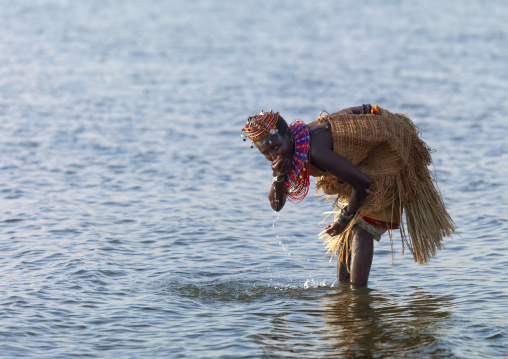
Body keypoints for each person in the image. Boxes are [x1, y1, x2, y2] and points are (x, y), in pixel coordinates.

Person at [241, 104, 456, 286]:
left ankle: (358, 302)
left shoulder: (315, 149)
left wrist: (344, 218)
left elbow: (363, 183)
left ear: (288, 134)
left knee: (360, 230)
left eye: (276, 147)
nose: (273, 155)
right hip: (363, 163)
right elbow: (277, 206)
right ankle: (345, 297)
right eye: (266, 153)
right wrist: (278, 176)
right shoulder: (293, 149)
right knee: (345, 238)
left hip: (387, 151)